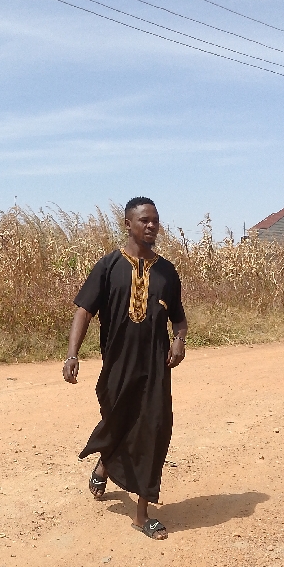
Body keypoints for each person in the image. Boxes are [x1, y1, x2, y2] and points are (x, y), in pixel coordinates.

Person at [62, 197, 188, 540]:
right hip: (117, 365)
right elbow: (83, 311)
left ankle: (142, 513)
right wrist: (72, 355)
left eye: (155, 220)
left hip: (156, 366)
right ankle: (105, 462)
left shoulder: (167, 271)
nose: (152, 225)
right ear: (128, 224)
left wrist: (179, 340)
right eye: (144, 220)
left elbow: (179, 318)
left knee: (154, 428)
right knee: (118, 421)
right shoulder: (108, 266)